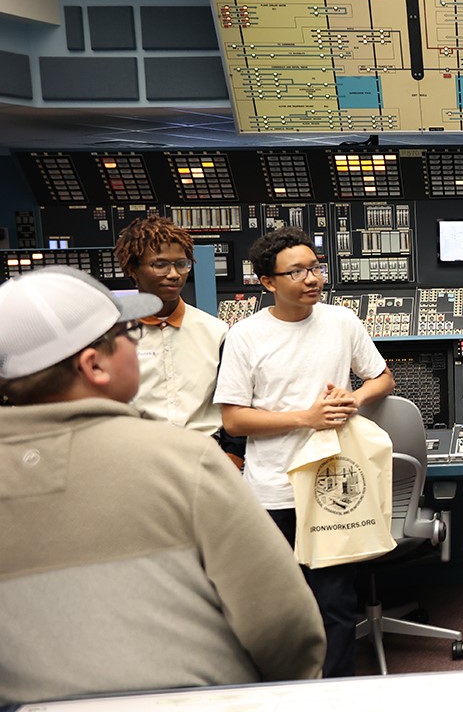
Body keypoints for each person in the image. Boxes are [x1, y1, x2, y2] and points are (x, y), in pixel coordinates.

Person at [0, 266, 325, 704]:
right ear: (94, 365)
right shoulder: (184, 461)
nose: (137, 345)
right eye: (128, 334)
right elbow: (283, 624)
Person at [214, 227, 395, 678]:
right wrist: (307, 417)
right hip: (275, 487)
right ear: (268, 282)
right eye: (296, 271)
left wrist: (353, 399)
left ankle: (335, 694)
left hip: (330, 485)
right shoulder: (245, 337)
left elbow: (382, 378)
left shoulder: (342, 321)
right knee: (282, 605)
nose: (311, 278)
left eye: (315, 267)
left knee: (336, 604)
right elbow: (234, 420)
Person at [113, 215, 241, 459]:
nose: (174, 274)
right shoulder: (110, 334)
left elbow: (234, 405)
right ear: (132, 269)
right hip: (135, 460)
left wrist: (233, 460)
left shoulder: (216, 332)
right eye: (160, 265)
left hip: (204, 460)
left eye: (181, 264)